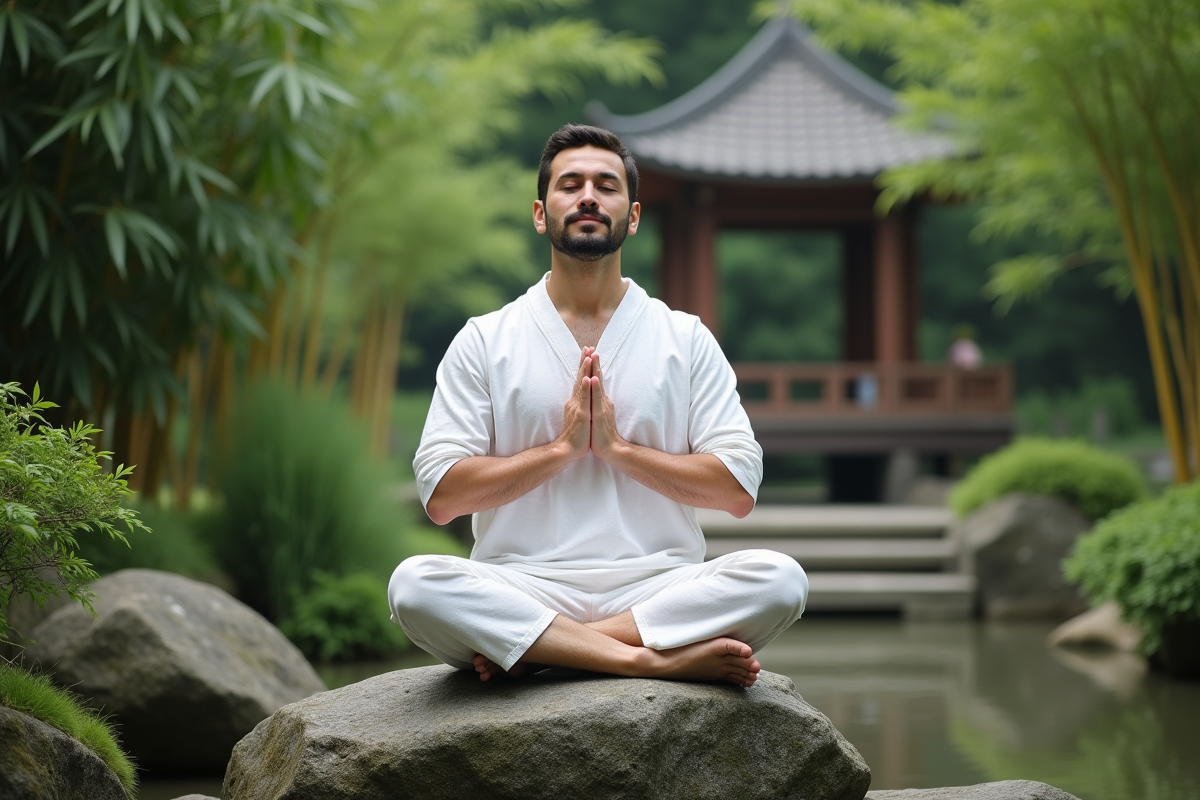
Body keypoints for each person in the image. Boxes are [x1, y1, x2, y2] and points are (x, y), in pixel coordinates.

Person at [388, 124, 808, 688]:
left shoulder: (683, 338)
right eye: (570, 184)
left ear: (632, 217)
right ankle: (640, 660)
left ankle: (547, 651)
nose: (588, 196)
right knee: (414, 585)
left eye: (606, 186)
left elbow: (737, 489)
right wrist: (561, 450)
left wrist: (617, 449)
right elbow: (441, 497)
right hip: (521, 584)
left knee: (781, 579)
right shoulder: (486, 339)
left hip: (657, 586)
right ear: (541, 213)